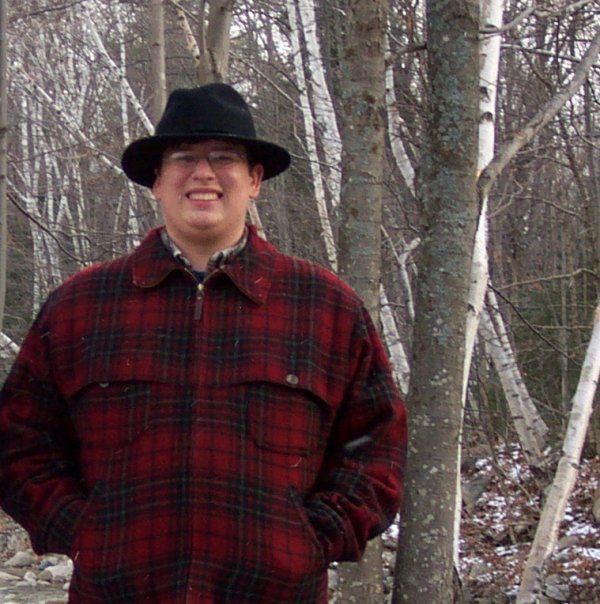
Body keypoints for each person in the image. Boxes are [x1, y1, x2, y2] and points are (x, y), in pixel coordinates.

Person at [0, 83, 407, 603]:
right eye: (184, 157)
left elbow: (378, 445)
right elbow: (20, 441)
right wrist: (84, 532)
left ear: (255, 180)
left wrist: (312, 539)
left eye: (223, 157)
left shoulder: (324, 307)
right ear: (157, 181)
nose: (203, 173)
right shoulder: (80, 306)